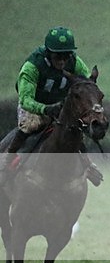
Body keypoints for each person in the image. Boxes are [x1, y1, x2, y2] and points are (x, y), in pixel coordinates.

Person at [0, 26, 103, 187]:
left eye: (66, 55)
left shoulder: (75, 62)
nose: (62, 61)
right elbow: (25, 99)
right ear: (48, 52)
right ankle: (9, 159)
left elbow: (86, 83)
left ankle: (88, 165)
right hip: (34, 106)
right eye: (58, 56)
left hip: (60, 105)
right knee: (30, 125)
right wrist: (45, 109)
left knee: (74, 128)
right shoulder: (32, 67)